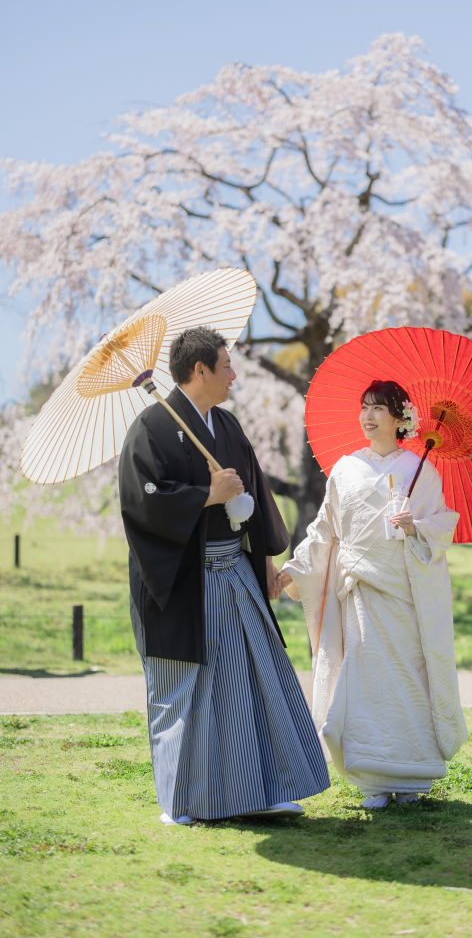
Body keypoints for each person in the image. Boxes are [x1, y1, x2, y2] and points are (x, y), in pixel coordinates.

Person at [118, 326, 329, 825]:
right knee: (187, 687)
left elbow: (254, 492)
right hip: (184, 583)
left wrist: (267, 559)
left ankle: (265, 789)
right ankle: (182, 801)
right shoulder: (150, 428)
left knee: (252, 681)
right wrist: (204, 496)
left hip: (235, 571)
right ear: (200, 371)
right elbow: (140, 504)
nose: (234, 375)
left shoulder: (227, 426)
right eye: (227, 366)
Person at [276, 380, 468, 810]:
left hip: (404, 598)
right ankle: (372, 780)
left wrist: (415, 526)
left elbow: (442, 525)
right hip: (359, 593)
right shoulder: (345, 469)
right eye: (364, 407)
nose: (368, 415)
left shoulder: (421, 471)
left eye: (379, 408)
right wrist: (292, 569)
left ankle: (413, 776)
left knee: (407, 681)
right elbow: (324, 530)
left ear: (401, 418)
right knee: (365, 684)